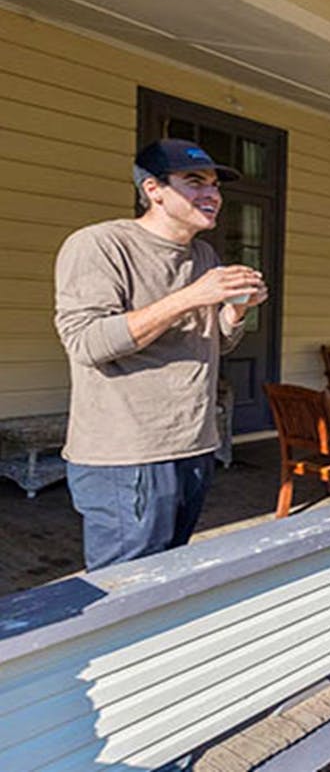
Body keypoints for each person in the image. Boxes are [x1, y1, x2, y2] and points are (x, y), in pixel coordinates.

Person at [55, 138, 268, 573]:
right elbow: (87, 342)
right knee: (126, 591)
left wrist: (235, 312)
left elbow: (215, 343)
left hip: (194, 445)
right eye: (194, 182)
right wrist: (190, 296)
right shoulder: (100, 245)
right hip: (127, 458)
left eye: (214, 185)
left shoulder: (203, 255)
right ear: (153, 189)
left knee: (167, 577)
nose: (212, 194)